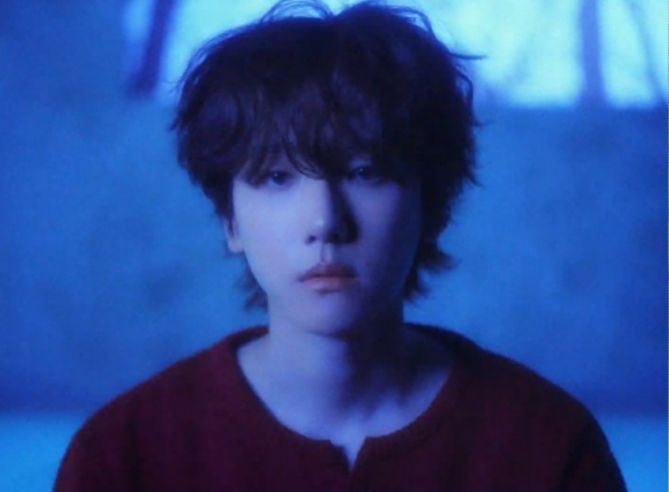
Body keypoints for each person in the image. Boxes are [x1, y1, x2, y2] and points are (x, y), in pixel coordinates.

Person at [54, 1, 626, 491]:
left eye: (365, 171)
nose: (325, 222)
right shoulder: (123, 455)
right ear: (230, 219)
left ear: (431, 204)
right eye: (277, 177)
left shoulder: (547, 446)